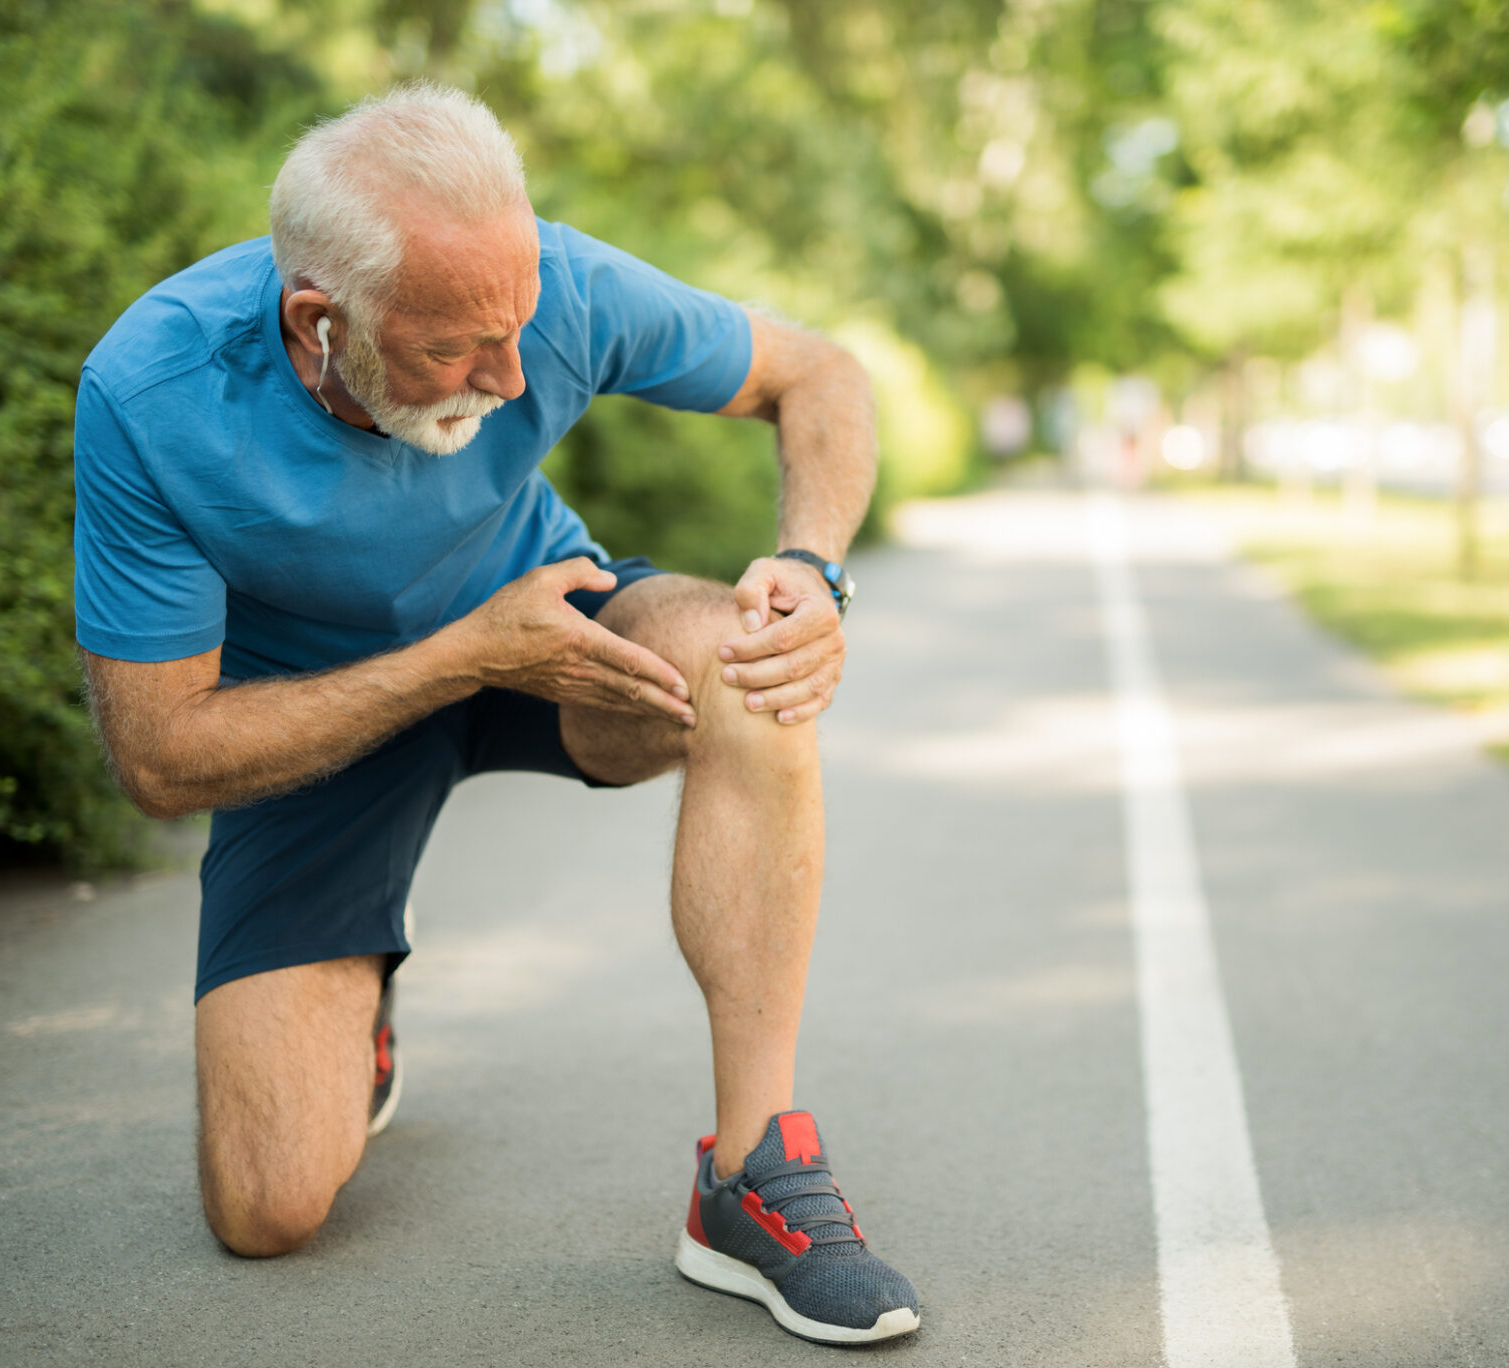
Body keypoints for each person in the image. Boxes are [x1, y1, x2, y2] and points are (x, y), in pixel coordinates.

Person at [73, 83, 919, 1345]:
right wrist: (457, 657)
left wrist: (812, 570)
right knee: (266, 1209)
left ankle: (750, 1172)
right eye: (457, 349)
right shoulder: (154, 392)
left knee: (754, 666)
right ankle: (359, 998)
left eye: (517, 326)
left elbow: (820, 374)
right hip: (315, 724)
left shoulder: (551, 291)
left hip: (558, 636)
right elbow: (158, 757)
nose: (512, 374)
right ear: (320, 323)